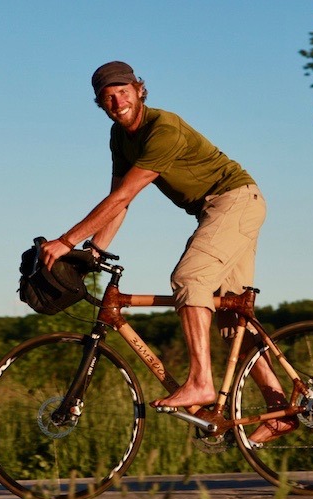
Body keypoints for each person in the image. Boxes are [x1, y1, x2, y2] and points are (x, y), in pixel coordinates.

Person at [40, 61, 294, 444]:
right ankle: (280, 411)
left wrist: (66, 241)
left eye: (123, 90)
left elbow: (126, 194)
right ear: (100, 103)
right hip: (222, 208)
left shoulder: (163, 128)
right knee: (230, 318)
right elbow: (118, 202)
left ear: (139, 89)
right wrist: (95, 250)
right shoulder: (120, 138)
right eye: (107, 96)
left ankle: (201, 382)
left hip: (233, 201)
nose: (117, 99)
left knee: (188, 279)